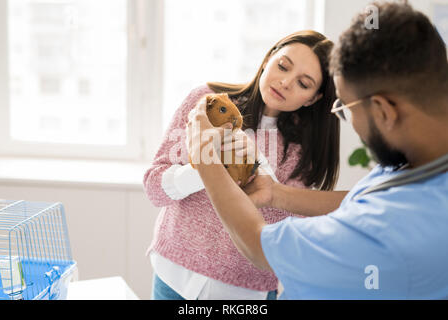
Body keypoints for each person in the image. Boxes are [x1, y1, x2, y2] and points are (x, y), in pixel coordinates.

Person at [186, 2, 448, 299]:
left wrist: (205, 157)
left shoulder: (388, 227)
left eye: (345, 110)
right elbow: (361, 199)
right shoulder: (419, 160)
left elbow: (260, 246)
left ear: (383, 111)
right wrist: (276, 193)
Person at [143, 30, 340, 300]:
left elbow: (283, 235)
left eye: (303, 83)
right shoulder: (206, 102)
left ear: (313, 98)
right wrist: (205, 165)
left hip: (243, 294)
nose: (284, 82)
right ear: (268, 59)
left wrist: (253, 165)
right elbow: (154, 188)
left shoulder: (303, 150)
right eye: (283, 66)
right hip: (172, 278)